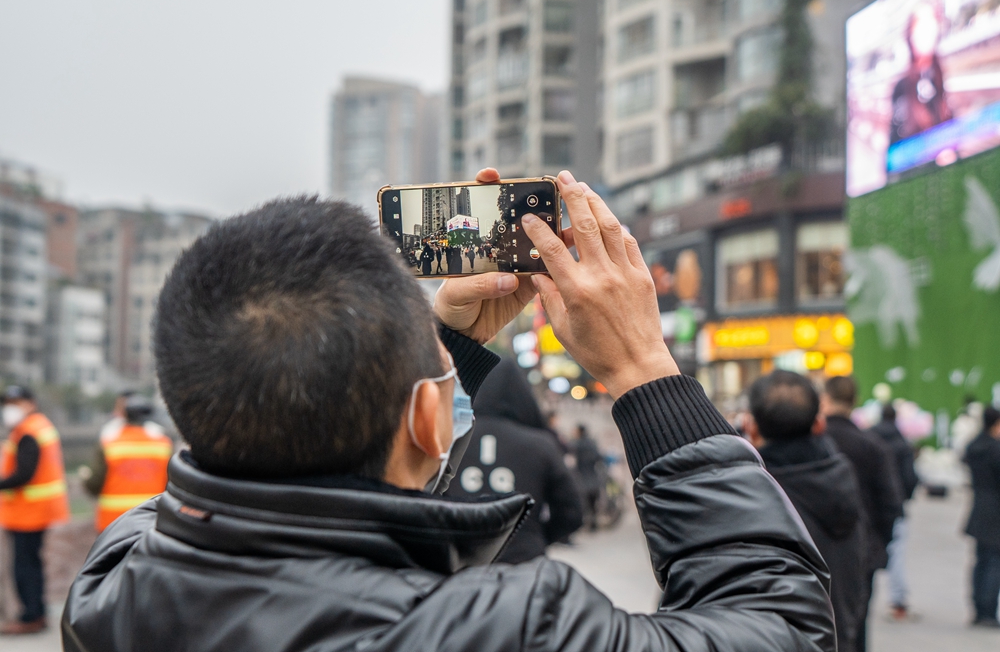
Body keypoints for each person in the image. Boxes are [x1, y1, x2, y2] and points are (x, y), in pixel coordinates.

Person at [62, 169, 835, 651]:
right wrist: (643, 368)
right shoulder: (506, 628)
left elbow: (285, 488)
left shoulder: (113, 582)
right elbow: (782, 623)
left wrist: (443, 353)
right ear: (430, 422)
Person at [743, 370, 867, 652]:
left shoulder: (746, 493)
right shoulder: (841, 479)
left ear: (751, 426)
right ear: (819, 424)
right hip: (838, 636)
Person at [444, 358, 582, 562]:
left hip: (457, 564)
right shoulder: (540, 444)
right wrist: (534, 536)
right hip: (523, 566)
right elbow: (572, 511)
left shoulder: (449, 439)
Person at [823, 376, 904, 651]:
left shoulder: (815, 444)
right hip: (862, 549)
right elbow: (891, 503)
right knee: (856, 624)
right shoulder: (872, 445)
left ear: (825, 399)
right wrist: (880, 543)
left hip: (815, 548)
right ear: (854, 401)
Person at [0, 385, 70, 635]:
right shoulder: (36, 427)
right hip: (34, 510)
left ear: (31, 403)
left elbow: (23, 474)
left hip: (29, 512)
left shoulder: (29, 432)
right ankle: (36, 613)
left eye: (16, 402)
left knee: (25, 567)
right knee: (31, 564)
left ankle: (30, 616)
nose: (10, 407)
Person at [83, 395, 174, 533]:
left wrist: (85, 479)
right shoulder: (164, 445)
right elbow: (172, 483)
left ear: (124, 415)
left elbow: (95, 483)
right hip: (151, 520)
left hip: (113, 521)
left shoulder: (109, 444)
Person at [871, 402, 920, 621]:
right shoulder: (902, 443)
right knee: (897, 553)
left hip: (868, 508)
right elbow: (910, 478)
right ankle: (898, 601)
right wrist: (903, 497)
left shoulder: (868, 439)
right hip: (894, 505)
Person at [890, 2, 952, 146]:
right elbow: (896, 143)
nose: (928, 31)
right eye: (921, 25)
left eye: (930, 23)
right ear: (910, 34)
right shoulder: (901, 88)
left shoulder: (940, 76)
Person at [964, 405, 1000, 628]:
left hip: (979, 506)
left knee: (981, 561)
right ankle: (987, 611)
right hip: (995, 511)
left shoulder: (975, 445)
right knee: (993, 562)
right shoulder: (996, 450)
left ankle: (978, 607)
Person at [571, 424, 603, 531]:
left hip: (582, 476)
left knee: (585, 502)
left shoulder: (576, 444)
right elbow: (599, 457)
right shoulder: (592, 443)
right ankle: (593, 523)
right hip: (593, 476)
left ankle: (586, 523)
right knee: (593, 502)